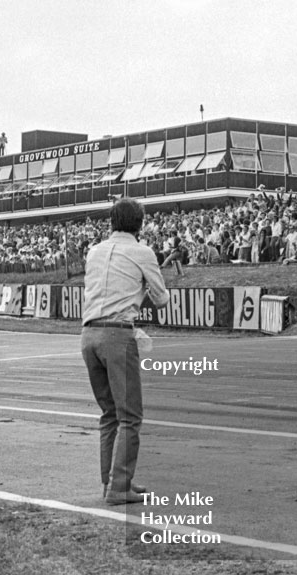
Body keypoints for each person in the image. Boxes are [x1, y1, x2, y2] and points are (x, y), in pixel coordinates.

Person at [80, 198, 169, 505]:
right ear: (140, 224)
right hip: (117, 335)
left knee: (109, 414)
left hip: (88, 333)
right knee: (130, 416)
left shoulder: (95, 251)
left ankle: (111, 481)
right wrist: (143, 288)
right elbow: (161, 300)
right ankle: (120, 487)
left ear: (111, 222)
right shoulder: (143, 252)